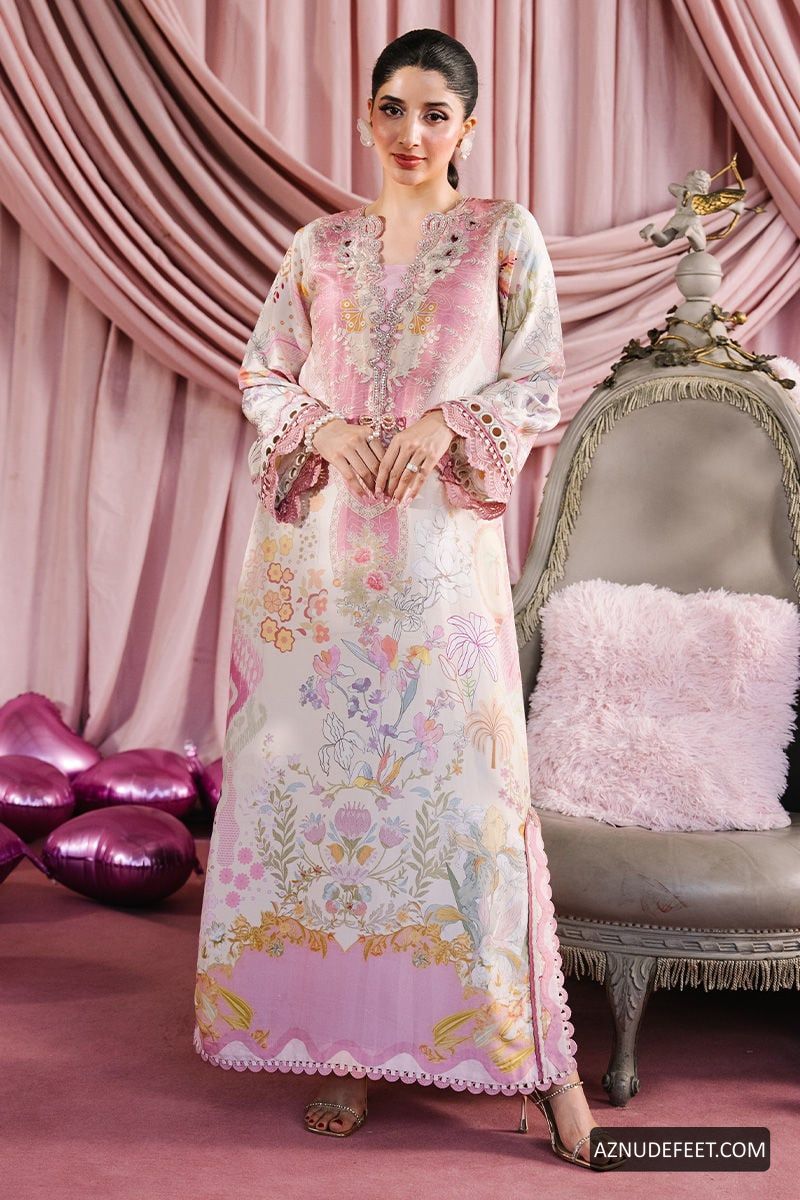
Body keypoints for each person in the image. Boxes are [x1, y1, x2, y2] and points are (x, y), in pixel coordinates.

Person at [194, 28, 624, 1172]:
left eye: (435, 113)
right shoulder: (319, 247)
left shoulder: (500, 237)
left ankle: (538, 1062)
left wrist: (445, 422)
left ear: (467, 126)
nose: (410, 132)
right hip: (320, 576)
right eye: (392, 108)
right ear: (366, 117)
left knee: (464, 802)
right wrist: (325, 426)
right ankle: (346, 1044)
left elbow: (537, 377)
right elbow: (262, 370)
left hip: (440, 571)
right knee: (330, 798)